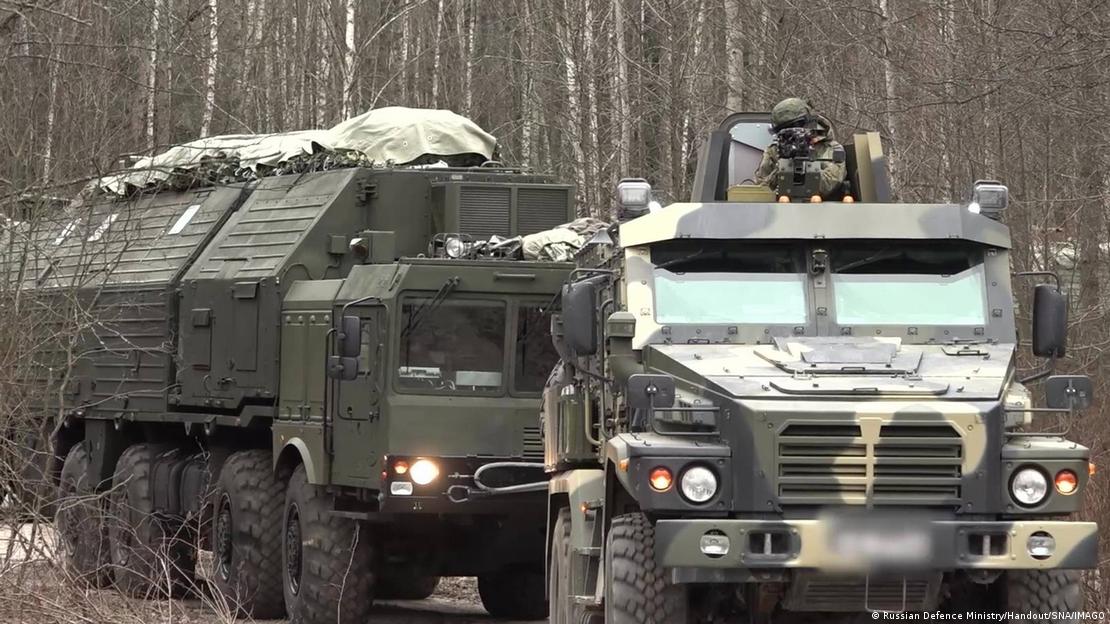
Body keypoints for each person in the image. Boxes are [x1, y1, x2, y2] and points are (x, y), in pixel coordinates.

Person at [753, 98, 847, 199]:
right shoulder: (774, 151)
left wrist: (804, 162)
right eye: (784, 131)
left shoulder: (831, 148)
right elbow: (761, 190)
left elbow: (828, 186)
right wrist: (780, 169)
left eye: (796, 126)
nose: (791, 135)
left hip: (821, 208)